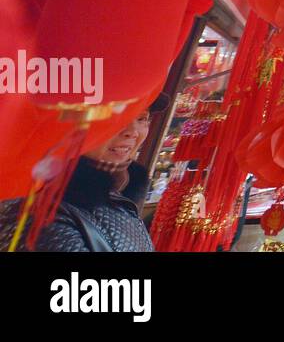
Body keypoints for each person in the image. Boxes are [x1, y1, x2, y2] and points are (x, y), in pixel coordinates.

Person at [0, 95, 168, 252]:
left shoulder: (118, 196)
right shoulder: (44, 215)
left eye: (141, 118)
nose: (132, 131)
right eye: (118, 117)